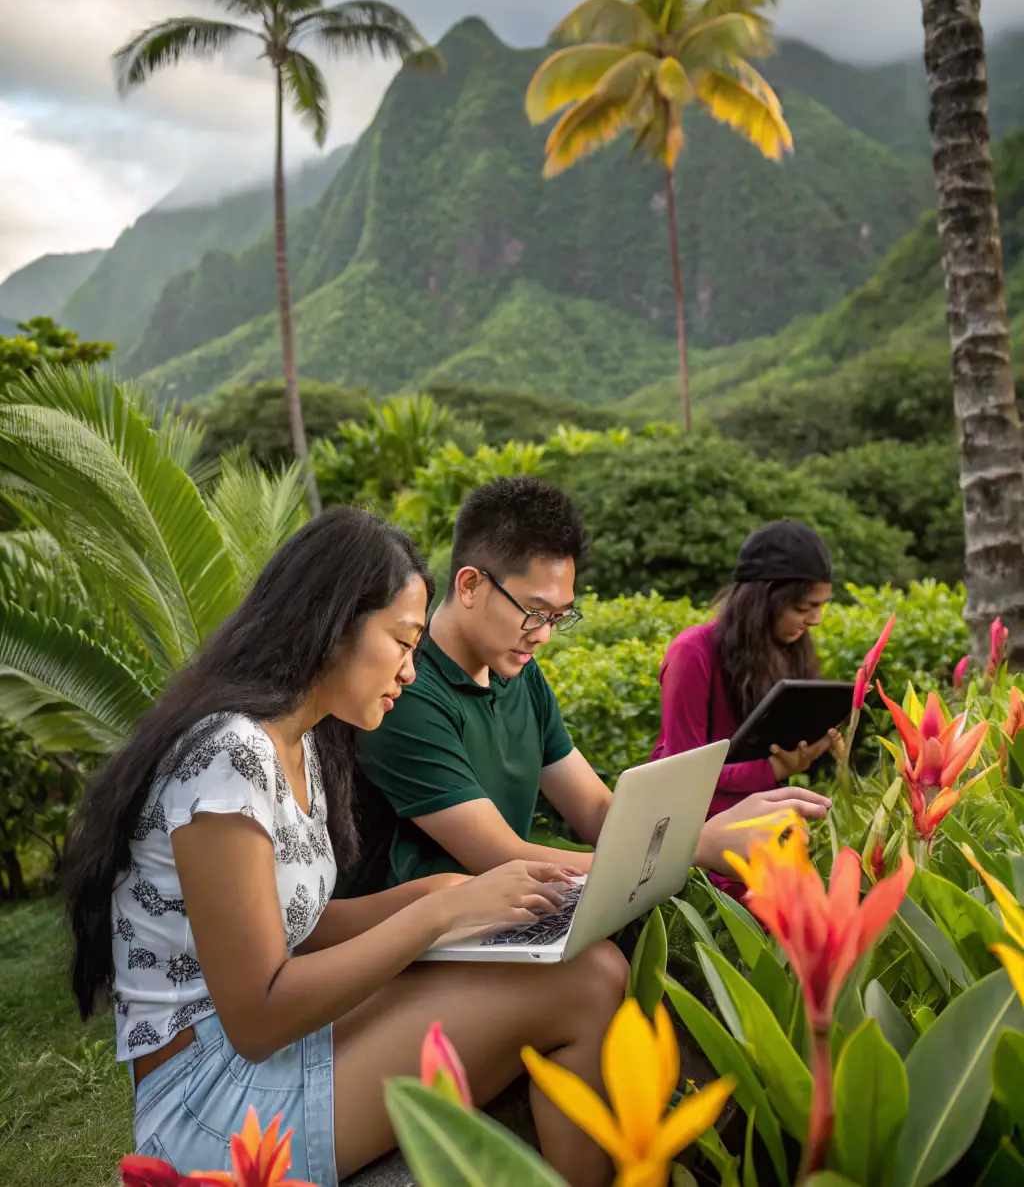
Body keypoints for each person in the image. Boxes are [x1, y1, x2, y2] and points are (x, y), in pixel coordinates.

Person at [62, 508, 635, 1187]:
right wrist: (436, 917)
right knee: (585, 984)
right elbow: (257, 1014)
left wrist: (435, 893)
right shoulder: (229, 753)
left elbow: (291, 925)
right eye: (402, 641)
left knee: (590, 968)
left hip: (263, 1055)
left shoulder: (300, 741)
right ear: (333, 626)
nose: (412, 671)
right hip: (215, 1101)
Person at [354, 479, 831, 891]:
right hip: (425, 937)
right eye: (534, 611)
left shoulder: (520, 675)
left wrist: (729, 819)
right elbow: (501, 858)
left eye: (558, 618)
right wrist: (698, 845)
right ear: (471, 585)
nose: (542, 635)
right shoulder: (408, 690)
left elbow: (600, 814)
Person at [651, 519, 840, 819]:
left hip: (762, 826)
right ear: (764, 601)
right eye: (803, 608)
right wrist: (772, 769)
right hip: (694, 837)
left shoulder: (786, 652)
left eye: (821, 606)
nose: (815, 619)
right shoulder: (693, 652)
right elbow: (682, 771)